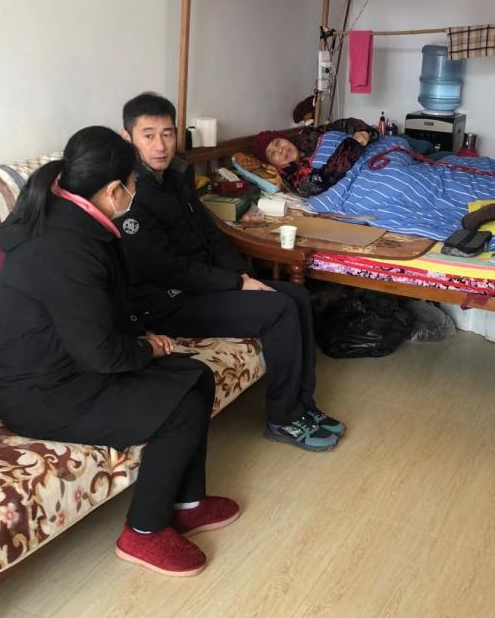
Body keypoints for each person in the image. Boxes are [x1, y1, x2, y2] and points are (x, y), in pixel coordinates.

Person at [0, 126, 239, 577]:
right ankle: (143, 531)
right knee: (179, 403)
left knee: (195, 376)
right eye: (134, 182)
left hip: (68, 367)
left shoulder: (76, 222)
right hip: (40, 394)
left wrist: (144, 341)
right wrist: (144, 348)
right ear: (113, 190)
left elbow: (100, 316)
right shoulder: (65, 247)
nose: (136, 191)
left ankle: (187, 503)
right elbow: (100, 353)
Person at [118, 92, 344, 452]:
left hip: (203, 287)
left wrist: (243, 275)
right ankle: (283, 417)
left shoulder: (176, 174)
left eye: (167, 133)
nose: (160, 145)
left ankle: (303, 405)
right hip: (167, 302)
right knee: (279, 309)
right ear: (127, 137)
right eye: (148, 135)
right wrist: (236, 283)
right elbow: (167, 268)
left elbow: (210, 232)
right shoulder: (129, 193)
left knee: (298, 296)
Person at [252, 117, 379, 197]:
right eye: (272, 153)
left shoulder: (307, 136)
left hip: (376, 153)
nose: (280, 150)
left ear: (284, 138)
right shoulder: (292, 177)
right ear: (272, 164)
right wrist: (353, 144)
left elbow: (342, 124)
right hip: (368, 177)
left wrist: (362, 131)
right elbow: (323, 179)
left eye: (277, 142)